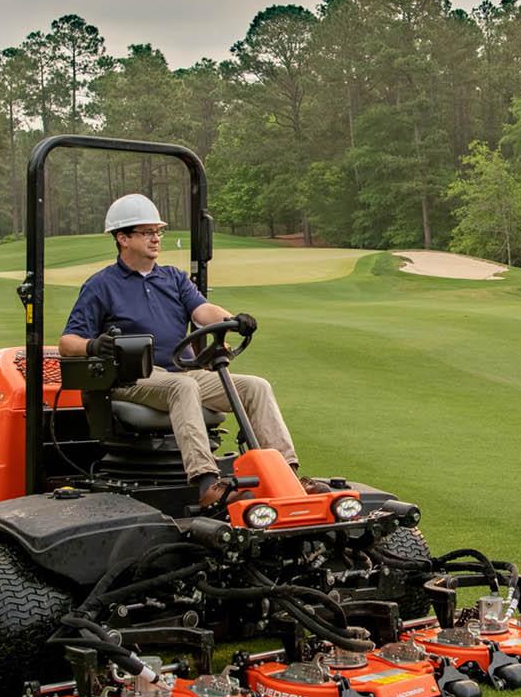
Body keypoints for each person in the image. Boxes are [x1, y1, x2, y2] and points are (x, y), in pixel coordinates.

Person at [59, 193, 329, 507]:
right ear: (122, 238)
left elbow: (203, 311)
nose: (156, 239)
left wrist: (232, 319)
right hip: (132, 378)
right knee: (183, 386)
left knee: (256, 387)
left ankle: (287, 476)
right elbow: (68, 342)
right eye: (147, 233)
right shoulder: (101, 285)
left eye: (158, 232)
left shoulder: (173, 278)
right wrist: (94, 345)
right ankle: (207, 483)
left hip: (180, 371)